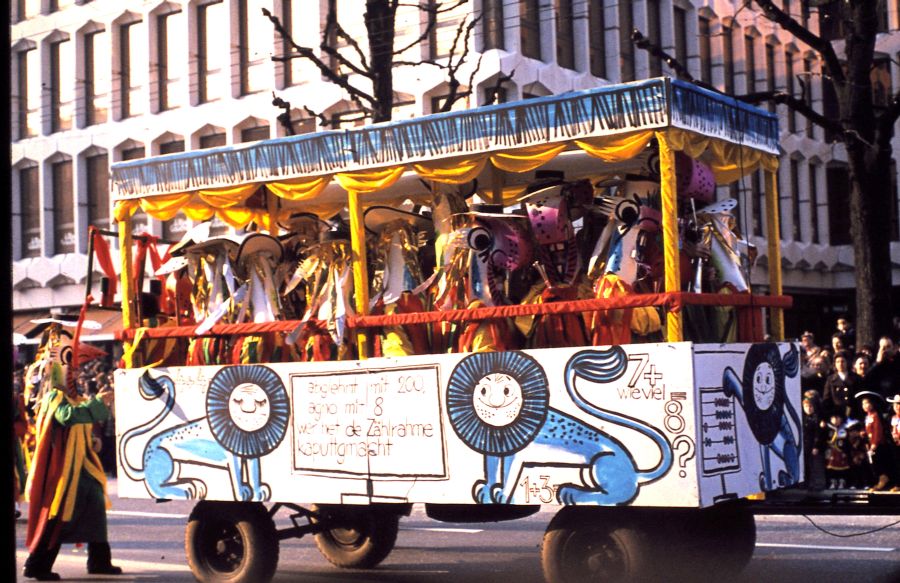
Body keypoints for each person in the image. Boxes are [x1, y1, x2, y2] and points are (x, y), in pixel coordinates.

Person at [23, 325, 122, 581]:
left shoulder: (71, 395)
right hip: (64, 470)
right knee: (59, 513)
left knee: (96, 505)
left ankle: (99, 560)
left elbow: (78, 425)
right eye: (70, 362)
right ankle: (37, 564)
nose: (75, 369)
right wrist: (99, 402)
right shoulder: (54, 397)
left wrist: (92, 440)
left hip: (83, 465)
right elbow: (69, 417)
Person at [856, 392, 890, 491]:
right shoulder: (867, 417)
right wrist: (863, 433)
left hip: (877, 444)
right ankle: (877, 480)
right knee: (873, 463)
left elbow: (877, 430)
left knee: (879, 462)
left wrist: (875, 443)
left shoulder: (876, 416)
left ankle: (883, 480)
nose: (865, 406)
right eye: (863, 404)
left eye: (867, 403)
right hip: (869, 444)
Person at [822, 351, 861, 420]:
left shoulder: (856, 378)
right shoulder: (830, 380)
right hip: (837, 416)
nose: (840, 364)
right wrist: (832, 416)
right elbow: (827, 400)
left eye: (843, 361)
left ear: (847, 362)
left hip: (854, 415)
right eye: (838, 362)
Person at [802, 392, 827, 490]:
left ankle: (818, 484)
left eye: (810, 406)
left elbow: (818, 434)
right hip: (805, 445)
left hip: (814, 446)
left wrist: (816, 446)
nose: (808, 409)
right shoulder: (803, 418)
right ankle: (806, 483)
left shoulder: (817, 418)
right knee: (806, 466)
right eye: (806, 406)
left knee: (816, 466)